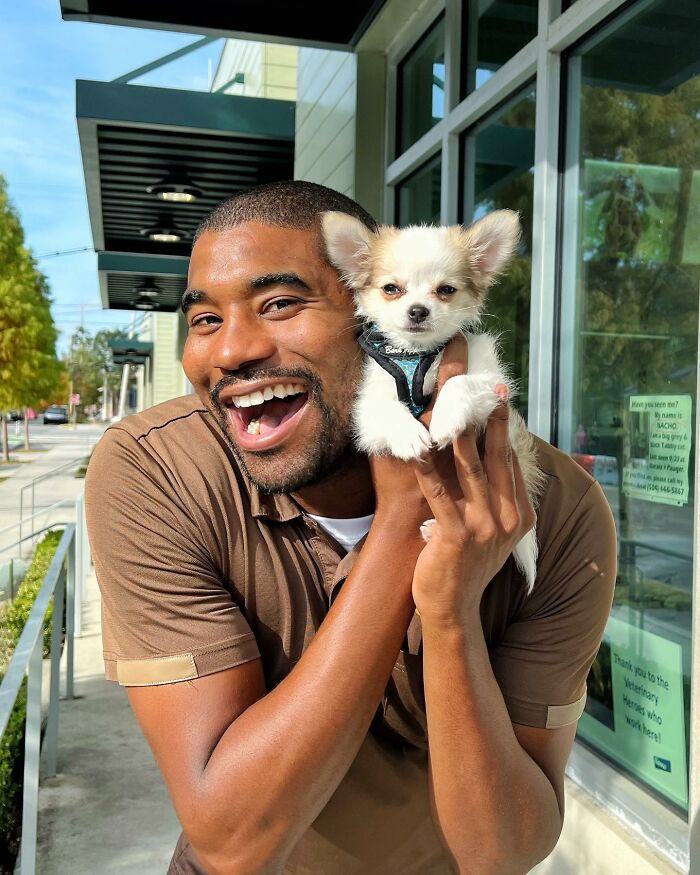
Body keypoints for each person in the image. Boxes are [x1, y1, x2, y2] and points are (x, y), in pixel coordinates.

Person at [85, 181, 617, 875]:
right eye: (205, 320)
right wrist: (402, 525)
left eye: (279, 303)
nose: (231, 351)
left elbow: (504, 850)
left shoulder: (555, 509)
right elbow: (232, 840)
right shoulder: (156, 473)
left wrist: (450, 611)